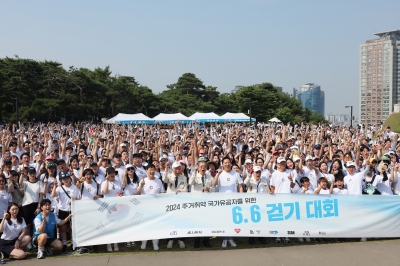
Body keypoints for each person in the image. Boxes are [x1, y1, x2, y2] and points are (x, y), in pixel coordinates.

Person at [213, 157, 243, 248]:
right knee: (224, 221)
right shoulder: (220, 174)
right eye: (225, 162)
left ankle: (231, 238)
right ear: (222, 164)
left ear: (231, 163)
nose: (227, 164)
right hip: (223, 202)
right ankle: (224, 239)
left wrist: (240, 197)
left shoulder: (236, 174)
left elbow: (240, 186)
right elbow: (214, 185)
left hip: (234, 201)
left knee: (232, 221)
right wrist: (217, 175)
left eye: (228, 162)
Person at [137, 164, 164, 251]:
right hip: (145, 208)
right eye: (150, 170)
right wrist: (141, 186)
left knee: (156, 225)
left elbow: (162, 192)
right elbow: (137, 193)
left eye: (153, 170)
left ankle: (155, 243)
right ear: (146, 171)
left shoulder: (158, 181)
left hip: (156, 208)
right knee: (145, 225)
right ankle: (144, 242)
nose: (152, 171)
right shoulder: (143, 180)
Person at [52, 171, 79, 253]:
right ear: (61, 180)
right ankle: (64, 244)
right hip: (62, 210)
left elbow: (78, 198)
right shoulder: (59, 188)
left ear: (70, 179)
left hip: (72, 210)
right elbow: (53, 195)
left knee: (72, 228)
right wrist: (54, 185)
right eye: (64, 179)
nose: (66, 180)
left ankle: (72, 243)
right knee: (63, 228)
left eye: (67, 178)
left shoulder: (75, 187)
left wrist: (74, 200)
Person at [270, 157, 296, 244]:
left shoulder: (290, 172)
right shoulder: (274, 174)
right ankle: (277, 235)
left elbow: (292, 186)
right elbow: (272, 187)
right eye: (281, 163)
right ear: (277, 164)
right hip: (277, 199)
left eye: (284, 162)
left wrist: (291, 180)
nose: (283, 164)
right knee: (278, 218)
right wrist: (272, 195)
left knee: (286, 218)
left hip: (287, 198)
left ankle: (286, 235)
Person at [162, 161, 188, 248]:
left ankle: (181, 240)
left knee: (181, 221)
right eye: (176, 168)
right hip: (170, 202)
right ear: (172, 169)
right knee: (170, 221)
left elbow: (186, 190)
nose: (178, 170)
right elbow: (164, 180)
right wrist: (166, 168)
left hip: (180, 202)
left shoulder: (184, 177)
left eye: (179, 168)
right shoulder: (169, 176)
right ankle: (170, 240)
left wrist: (181, 191)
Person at [188, 161, 214, 248]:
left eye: (204, 166)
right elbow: (190, 183)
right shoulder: (195, 175)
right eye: (201, 166)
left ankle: (206, 240)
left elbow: (214, 188)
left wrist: (209, 188)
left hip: (206, 203)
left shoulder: (209, 177)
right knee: (197, 222)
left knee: (206, 222)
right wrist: (194, 172)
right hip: (197, 203)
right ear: (198, 168)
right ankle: (196, 241)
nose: (203, 168)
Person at [19, 166, 43, 249]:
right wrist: (22, 173)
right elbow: (20, 183)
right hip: (26, 205)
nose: (32, 174)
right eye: (30, 173)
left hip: (36, 205)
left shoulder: (39, 183)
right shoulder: (26, 183)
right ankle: (28, 242)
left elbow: (40, 196)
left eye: (33, 173)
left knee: (36, 224)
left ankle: (35, 241)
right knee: (28, 225)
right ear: (28, 174)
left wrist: (39, 206)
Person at [244, 166, 268, 245]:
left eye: (259, 172)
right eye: (256, 172)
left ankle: (260, 236)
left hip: (261, 204)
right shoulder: (250, 180)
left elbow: (267, 191)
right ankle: (252, 237)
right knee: (252, 222)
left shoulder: (264, 180)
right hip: (252, 204)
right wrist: (249, 175)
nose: (258, 174)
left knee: (261, 221)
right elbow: (245, 183)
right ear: (253, 173)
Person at [101, 167, 123, 252]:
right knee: (108, 227)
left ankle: (116, 244)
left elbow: (120, 193)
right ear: (107, 174)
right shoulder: (104, 183)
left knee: (116, 226)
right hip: (108, 208)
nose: (112, 174)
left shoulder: (118, 182)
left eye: (113, 173)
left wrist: (120, 195)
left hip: (117, 207)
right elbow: (105, 192)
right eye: (110, 173)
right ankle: (109, 244)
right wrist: (107, 181)